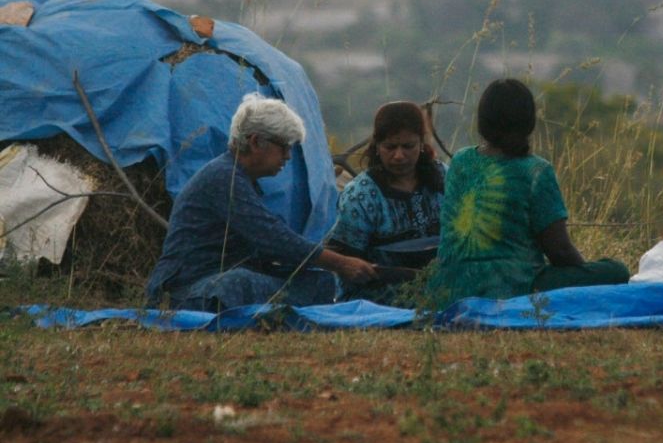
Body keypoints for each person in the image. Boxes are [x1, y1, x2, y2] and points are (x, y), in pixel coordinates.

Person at [145, 93, 376, 311]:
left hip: (221, 277)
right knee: (239, 282)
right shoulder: (223, 177)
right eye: (284, 147)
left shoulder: (241, 178)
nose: (287, 156)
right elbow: (274, 238)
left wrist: (321, 262)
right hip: (188, 288)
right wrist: (340, 263)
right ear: (255, 142)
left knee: (318, 280)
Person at [426, 78, 630, 304]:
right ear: (528, 121)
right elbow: (560, 251)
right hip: (514, 287)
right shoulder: (535, 171)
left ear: (482, 120)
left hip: (449, 288)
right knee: (616, 271)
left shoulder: (461, 161)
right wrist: (582, 276)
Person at [325, 101, 446, 303]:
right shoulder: (360, 195)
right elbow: (342, 258)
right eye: (390, 147)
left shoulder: (444, 178)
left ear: (422, 145)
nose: (399, 156)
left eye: (408, 146)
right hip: (378, 299)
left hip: (441, 289)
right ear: (377, 147)